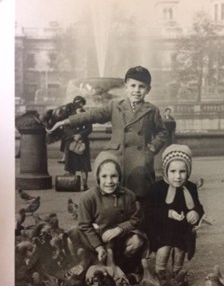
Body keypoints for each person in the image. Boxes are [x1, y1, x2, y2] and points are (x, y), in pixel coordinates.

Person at [47, 66, 168, 205]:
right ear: (126, 87)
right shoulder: (115, 105)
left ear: (148, 89)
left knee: (139, 199)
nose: (137, 90)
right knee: (114, 196)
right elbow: (93, 115)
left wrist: (152, 149)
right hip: (116, 158)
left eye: (141, 86)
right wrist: (67, 121)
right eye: (133, 85)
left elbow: (162, 132)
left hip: (141, 161)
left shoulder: (152, 110)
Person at [68, 151, 149, 284]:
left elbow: (135, 220)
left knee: (137, 240)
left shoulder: (128, 196)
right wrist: (99, 247)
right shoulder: (88, 197)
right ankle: (90, 261)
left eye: (113, 176)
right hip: (95, 239)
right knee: (73, 232)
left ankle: (121, 266)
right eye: (104, 176)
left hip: (118, 241)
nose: (109, 181)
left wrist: (119, 229)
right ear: (98, 177)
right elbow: (85, 225)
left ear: (119, 177)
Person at [144, 144, 204, 280]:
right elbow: (149, 210)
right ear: (166, 171)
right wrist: (168, 213)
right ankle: (161, 271)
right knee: (164, 248)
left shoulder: (190, 187)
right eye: (173, 171)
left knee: (180, 249)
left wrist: (194, 213)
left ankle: (178, 272)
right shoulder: (157, 188)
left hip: (181, 229)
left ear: (188, 171)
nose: (178, 176)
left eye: (182, 172)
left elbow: (198, 206)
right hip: (162, 228)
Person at [63, 98, 92, 191]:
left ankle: (85, 184)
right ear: (74, 104)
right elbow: (65, 128)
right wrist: (73, 136)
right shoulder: (69, 115)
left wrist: (80, 135)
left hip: (82, 143)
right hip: (71, 142)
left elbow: (89, 128)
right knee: (71, 165)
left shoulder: (87, 115)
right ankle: (72, 184)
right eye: (78, 104)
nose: (80, 106)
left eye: (82, 104)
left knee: (84, 165)